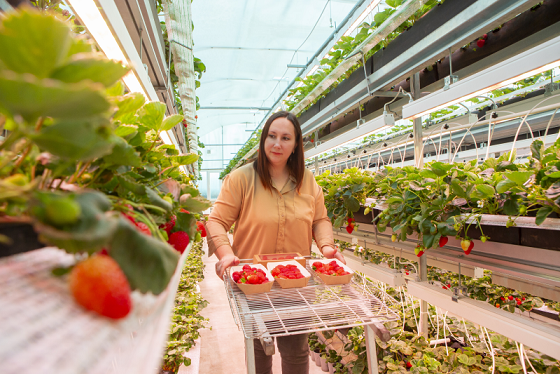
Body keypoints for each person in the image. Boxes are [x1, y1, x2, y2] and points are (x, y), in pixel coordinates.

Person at [206, 111, 345, 374]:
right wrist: (225, 253)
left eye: (285, 138)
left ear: (295, 145)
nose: (277, 144)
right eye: (271, 136)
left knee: (296, 354)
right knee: (260, 352)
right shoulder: (241, 179)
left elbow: (320, 220)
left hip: (297, 283)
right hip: (255, 285)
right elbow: (216, 222)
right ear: (263, 140)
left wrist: (327, 248)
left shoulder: (308, 181)